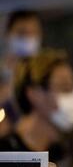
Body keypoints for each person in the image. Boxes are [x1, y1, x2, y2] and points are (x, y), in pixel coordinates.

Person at [0, 10, 43, 138]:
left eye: (33, 33)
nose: (28, 38)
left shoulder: (47, 75)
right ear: (8, 35)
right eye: (22, 33)